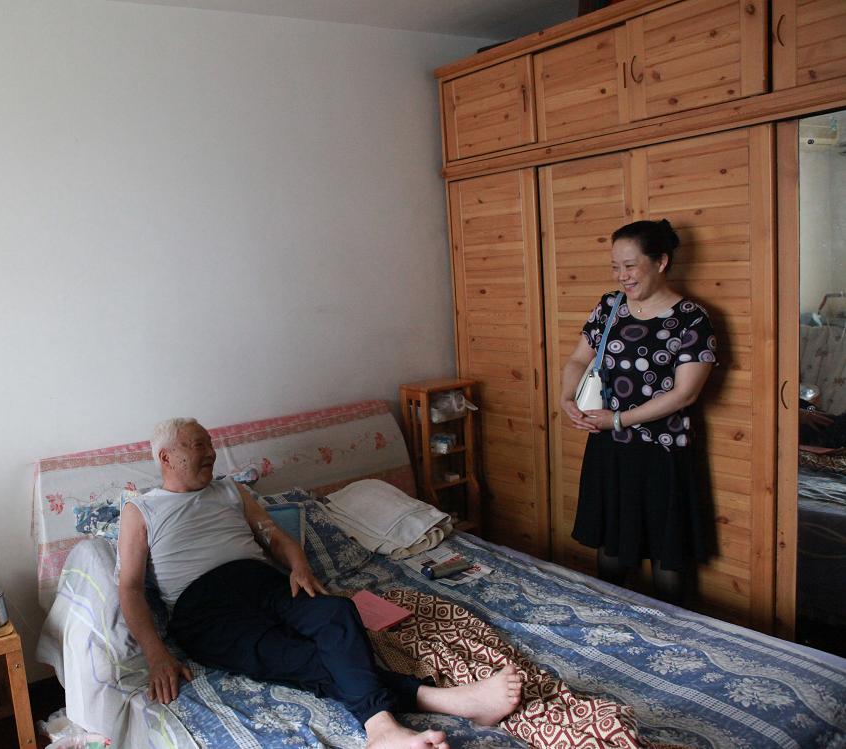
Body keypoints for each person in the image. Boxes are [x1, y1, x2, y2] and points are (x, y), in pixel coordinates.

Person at [118, 417, 523, 749]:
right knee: (300, 656)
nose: (210, 452)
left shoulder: (230, 490)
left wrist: (299, 566)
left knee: (336, 612)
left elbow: (274, 537)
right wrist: (156, 654)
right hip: (203, 608)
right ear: (166, 456)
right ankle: (426, 708)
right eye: (198, 445)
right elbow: (130, 588)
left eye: (210, 443)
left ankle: (385, 729)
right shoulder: (142, 509)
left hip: (260, 582)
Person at [560, 219, 718, 605]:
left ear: (661, 261)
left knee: (667, 556)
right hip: (610, 448)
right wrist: (566, 398)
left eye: (630, 266)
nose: (622, 276)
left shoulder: (691, 318)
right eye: (615, 266)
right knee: (612, 548)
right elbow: (579, 359)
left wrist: (619, 419)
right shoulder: (609, 307)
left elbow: (685, 394)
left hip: (662, 451)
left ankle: (674, 633)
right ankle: (612, 625)